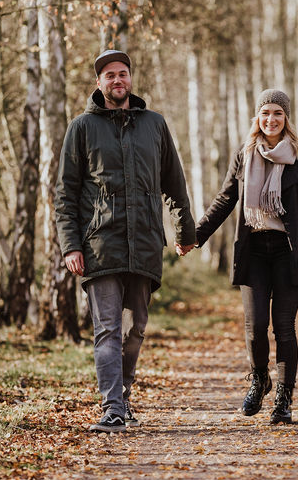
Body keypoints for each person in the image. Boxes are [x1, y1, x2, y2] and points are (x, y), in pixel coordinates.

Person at [55, 49, 196, 433]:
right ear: (98, 83)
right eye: (109, 76)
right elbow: (65, 194)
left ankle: (123, 396)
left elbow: (174, 184)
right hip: (100, 244)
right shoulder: (81, 128)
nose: (117, 81)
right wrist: (70, 245)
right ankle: (112, 406)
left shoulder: (155, 124)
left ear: (130, 79)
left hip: (146, 243)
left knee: (135, 329)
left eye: (123, 74)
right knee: (107, 329)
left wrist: (185, 232)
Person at [195, 89, 298, 424]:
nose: (271, 120)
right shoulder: (244, 155)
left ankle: (284, 399)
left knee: (284, 327)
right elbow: (226, 200)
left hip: (289, 253)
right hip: (254, 251)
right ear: (258, 117)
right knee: (255, 327)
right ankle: (260, 378)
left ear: (287, 119)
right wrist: (194, 237)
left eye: (278, 114)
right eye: (265, 113)